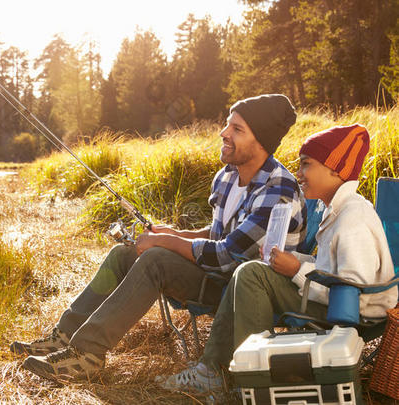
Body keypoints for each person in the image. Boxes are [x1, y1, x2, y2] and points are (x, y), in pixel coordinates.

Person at [11, 94, 306, 379]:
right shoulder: (228, 176)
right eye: (228, 124)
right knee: (124, 254)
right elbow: (217, 234)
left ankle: (85, 355)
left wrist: (165, 242)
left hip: (239, 292)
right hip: (216, 275)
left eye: (237, 129)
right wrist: (174, 233)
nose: (223, 132)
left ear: (261, 142)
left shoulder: (277, 189)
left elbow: (227, 255)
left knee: (156, 259)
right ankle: (64, 336)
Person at [158, 124, 398, 392]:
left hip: (353, 316)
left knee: (252, 275)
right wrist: (293, 260)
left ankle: (248, 379)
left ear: (335, 169)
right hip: (334, 301)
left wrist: (295, 270)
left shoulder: (352, 219)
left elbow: (352, 292)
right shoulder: (338, 209)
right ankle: (214, 369)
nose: (298, 173)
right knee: (250, 271)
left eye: (306, 165)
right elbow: (330, 270)